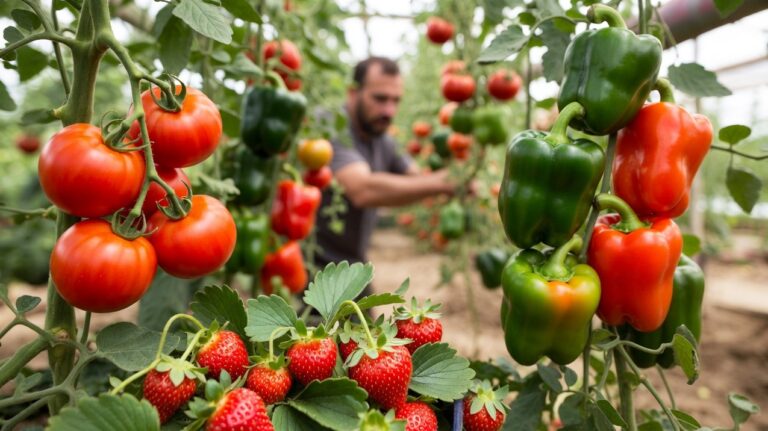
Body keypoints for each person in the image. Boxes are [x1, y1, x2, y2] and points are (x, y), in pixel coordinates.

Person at [314, 57, 458, 271]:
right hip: (310, 265)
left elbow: (418, 179)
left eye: (396, 100)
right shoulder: (329, 124)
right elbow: (362, 189)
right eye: (380, 99)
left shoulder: (383, 139)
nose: (389, 111)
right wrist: (445, 182)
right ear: (353, 93)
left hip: (351, 265)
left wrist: (459, 163)